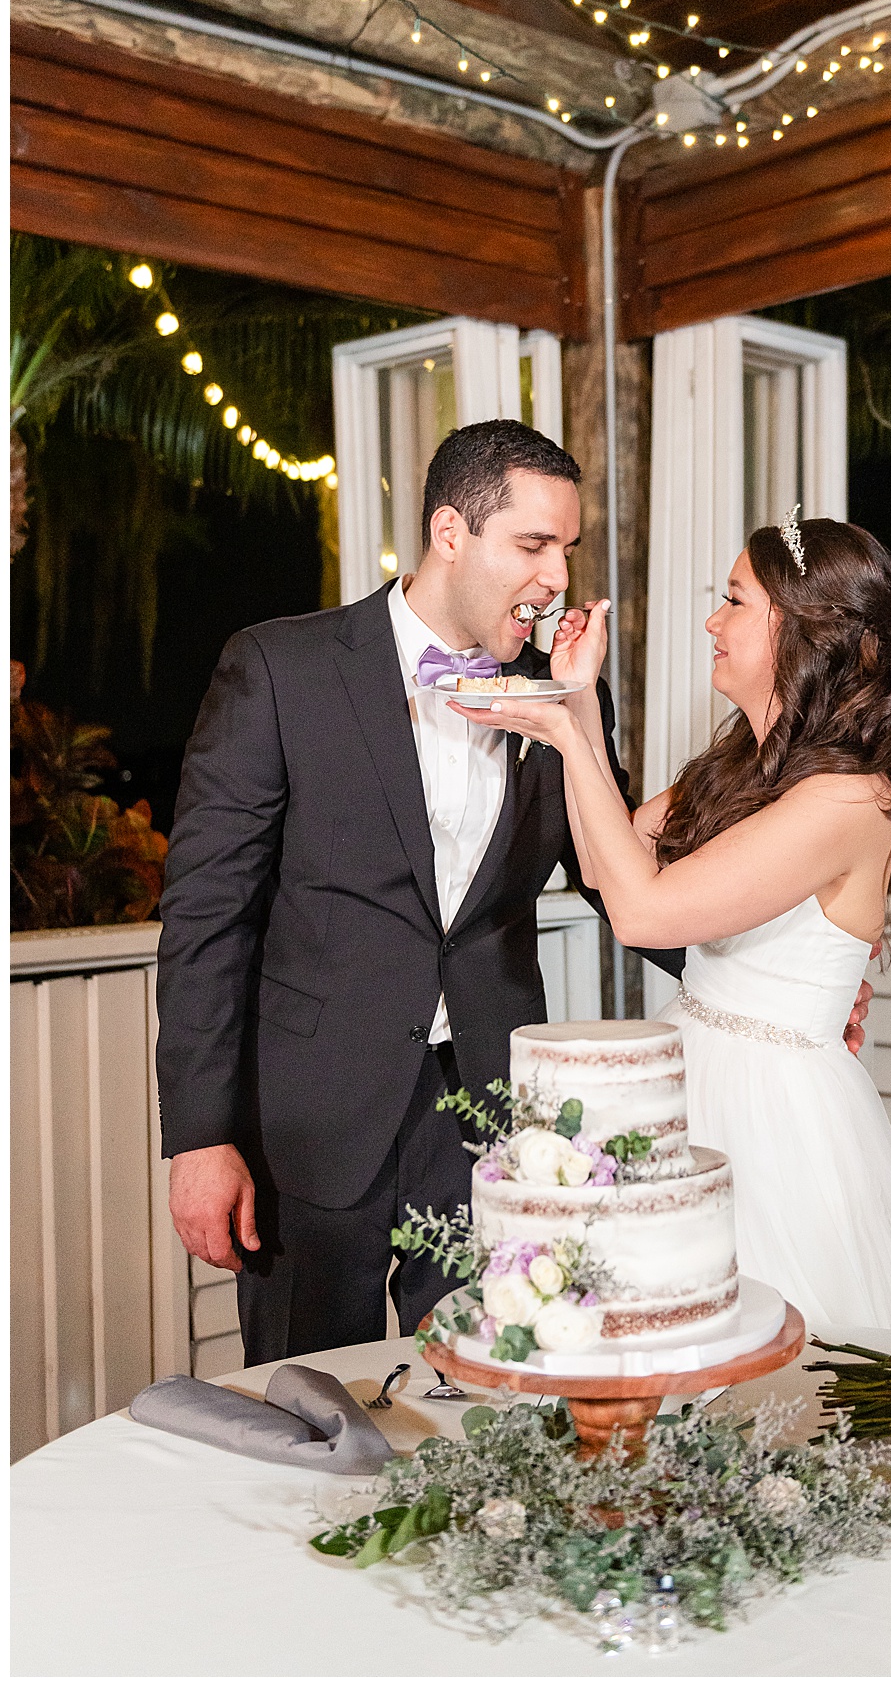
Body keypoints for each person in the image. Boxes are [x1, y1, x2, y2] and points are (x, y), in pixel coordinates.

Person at [154, 420, 694, 1364]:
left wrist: (754, 971)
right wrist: (200, 1136)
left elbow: (618, 882)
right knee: (307, 1408)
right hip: (313, 1123)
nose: (557, 577)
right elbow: (208, 913)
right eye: (533, 545)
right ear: (451, 533)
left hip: (486, 1118)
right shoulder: (280, 668)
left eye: (566, 549)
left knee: (491, 1398)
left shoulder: (571, 692)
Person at [459, 511, 891, 1331]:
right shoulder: (742, 764)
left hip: (774, 1116)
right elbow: (611, 853)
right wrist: (575, 700)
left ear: (800, 630)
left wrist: (567, 738)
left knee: (756, 1345)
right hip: (687, 1063)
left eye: (734, 601)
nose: (713, 622)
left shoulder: (850, 796)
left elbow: (643, 911)